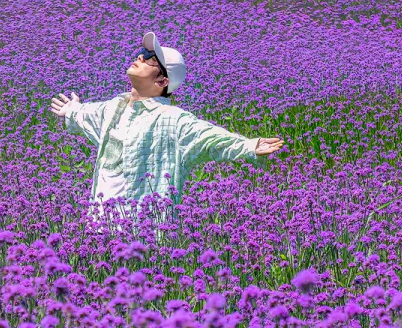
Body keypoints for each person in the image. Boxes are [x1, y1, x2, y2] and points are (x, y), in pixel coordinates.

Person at [50, 31, 284, 208]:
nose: (140, 57)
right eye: (143, 54)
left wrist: (248, 146)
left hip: (139, 230)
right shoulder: (113, 108)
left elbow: (209, 137)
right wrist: (72, 109)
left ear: (162, 81)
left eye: (150, 59)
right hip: (99, 223)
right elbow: (88, 115)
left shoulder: (172, 119)